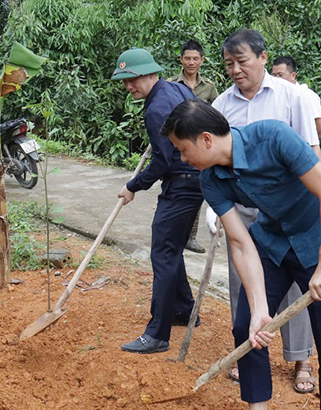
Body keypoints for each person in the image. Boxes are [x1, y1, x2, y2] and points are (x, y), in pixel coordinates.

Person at [161, 99, 321, 410]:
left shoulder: (274, 137)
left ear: (206, 139)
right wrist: (260, 308)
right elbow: (240, 243)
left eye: (183, 149)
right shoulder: (211, 181)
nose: (182, 158)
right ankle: (257, 406)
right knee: (248, 325)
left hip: (319, 245)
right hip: (272, 245)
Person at [210, 28, 320, 393]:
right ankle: (250, 357)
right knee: (245, 286)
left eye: (241, 61)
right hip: (242, 209)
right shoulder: (222, 105)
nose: (235, 70)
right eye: (229, 64)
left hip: (288, 211)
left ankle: (301, 357)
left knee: (295, 288)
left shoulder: (293, 97)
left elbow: (311, 156)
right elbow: (213, 156)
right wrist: (214, 210)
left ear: (262, 57)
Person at [110, 48, 203, 354]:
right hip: (196, 179)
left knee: (163, 253)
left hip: (182, 183)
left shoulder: (155, 110)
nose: (129, 87)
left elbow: (163, 161)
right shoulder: (175, 88)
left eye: (133, 79)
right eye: (125, 81)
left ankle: (157, 334)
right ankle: (185, 310)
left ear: (150, 73)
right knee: (171, 250)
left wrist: (133, 186)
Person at [168, 39, 220, 254]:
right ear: (181, 60)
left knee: (199, 190)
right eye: (187, 58)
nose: (191, 62)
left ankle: (191, 237)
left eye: (195, 58)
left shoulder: (209, 87)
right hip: (178, 145)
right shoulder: (171, 84)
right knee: (175, 190)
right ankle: (174, 234)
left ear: (202, 60)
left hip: (202, 147)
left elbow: (217, 113)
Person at [271, 56, 321, 137]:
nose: (277, 79)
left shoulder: (307, 95)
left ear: (293, 75)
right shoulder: (273, 95)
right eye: (274, 75)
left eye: (280, 75)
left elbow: (319, 127)